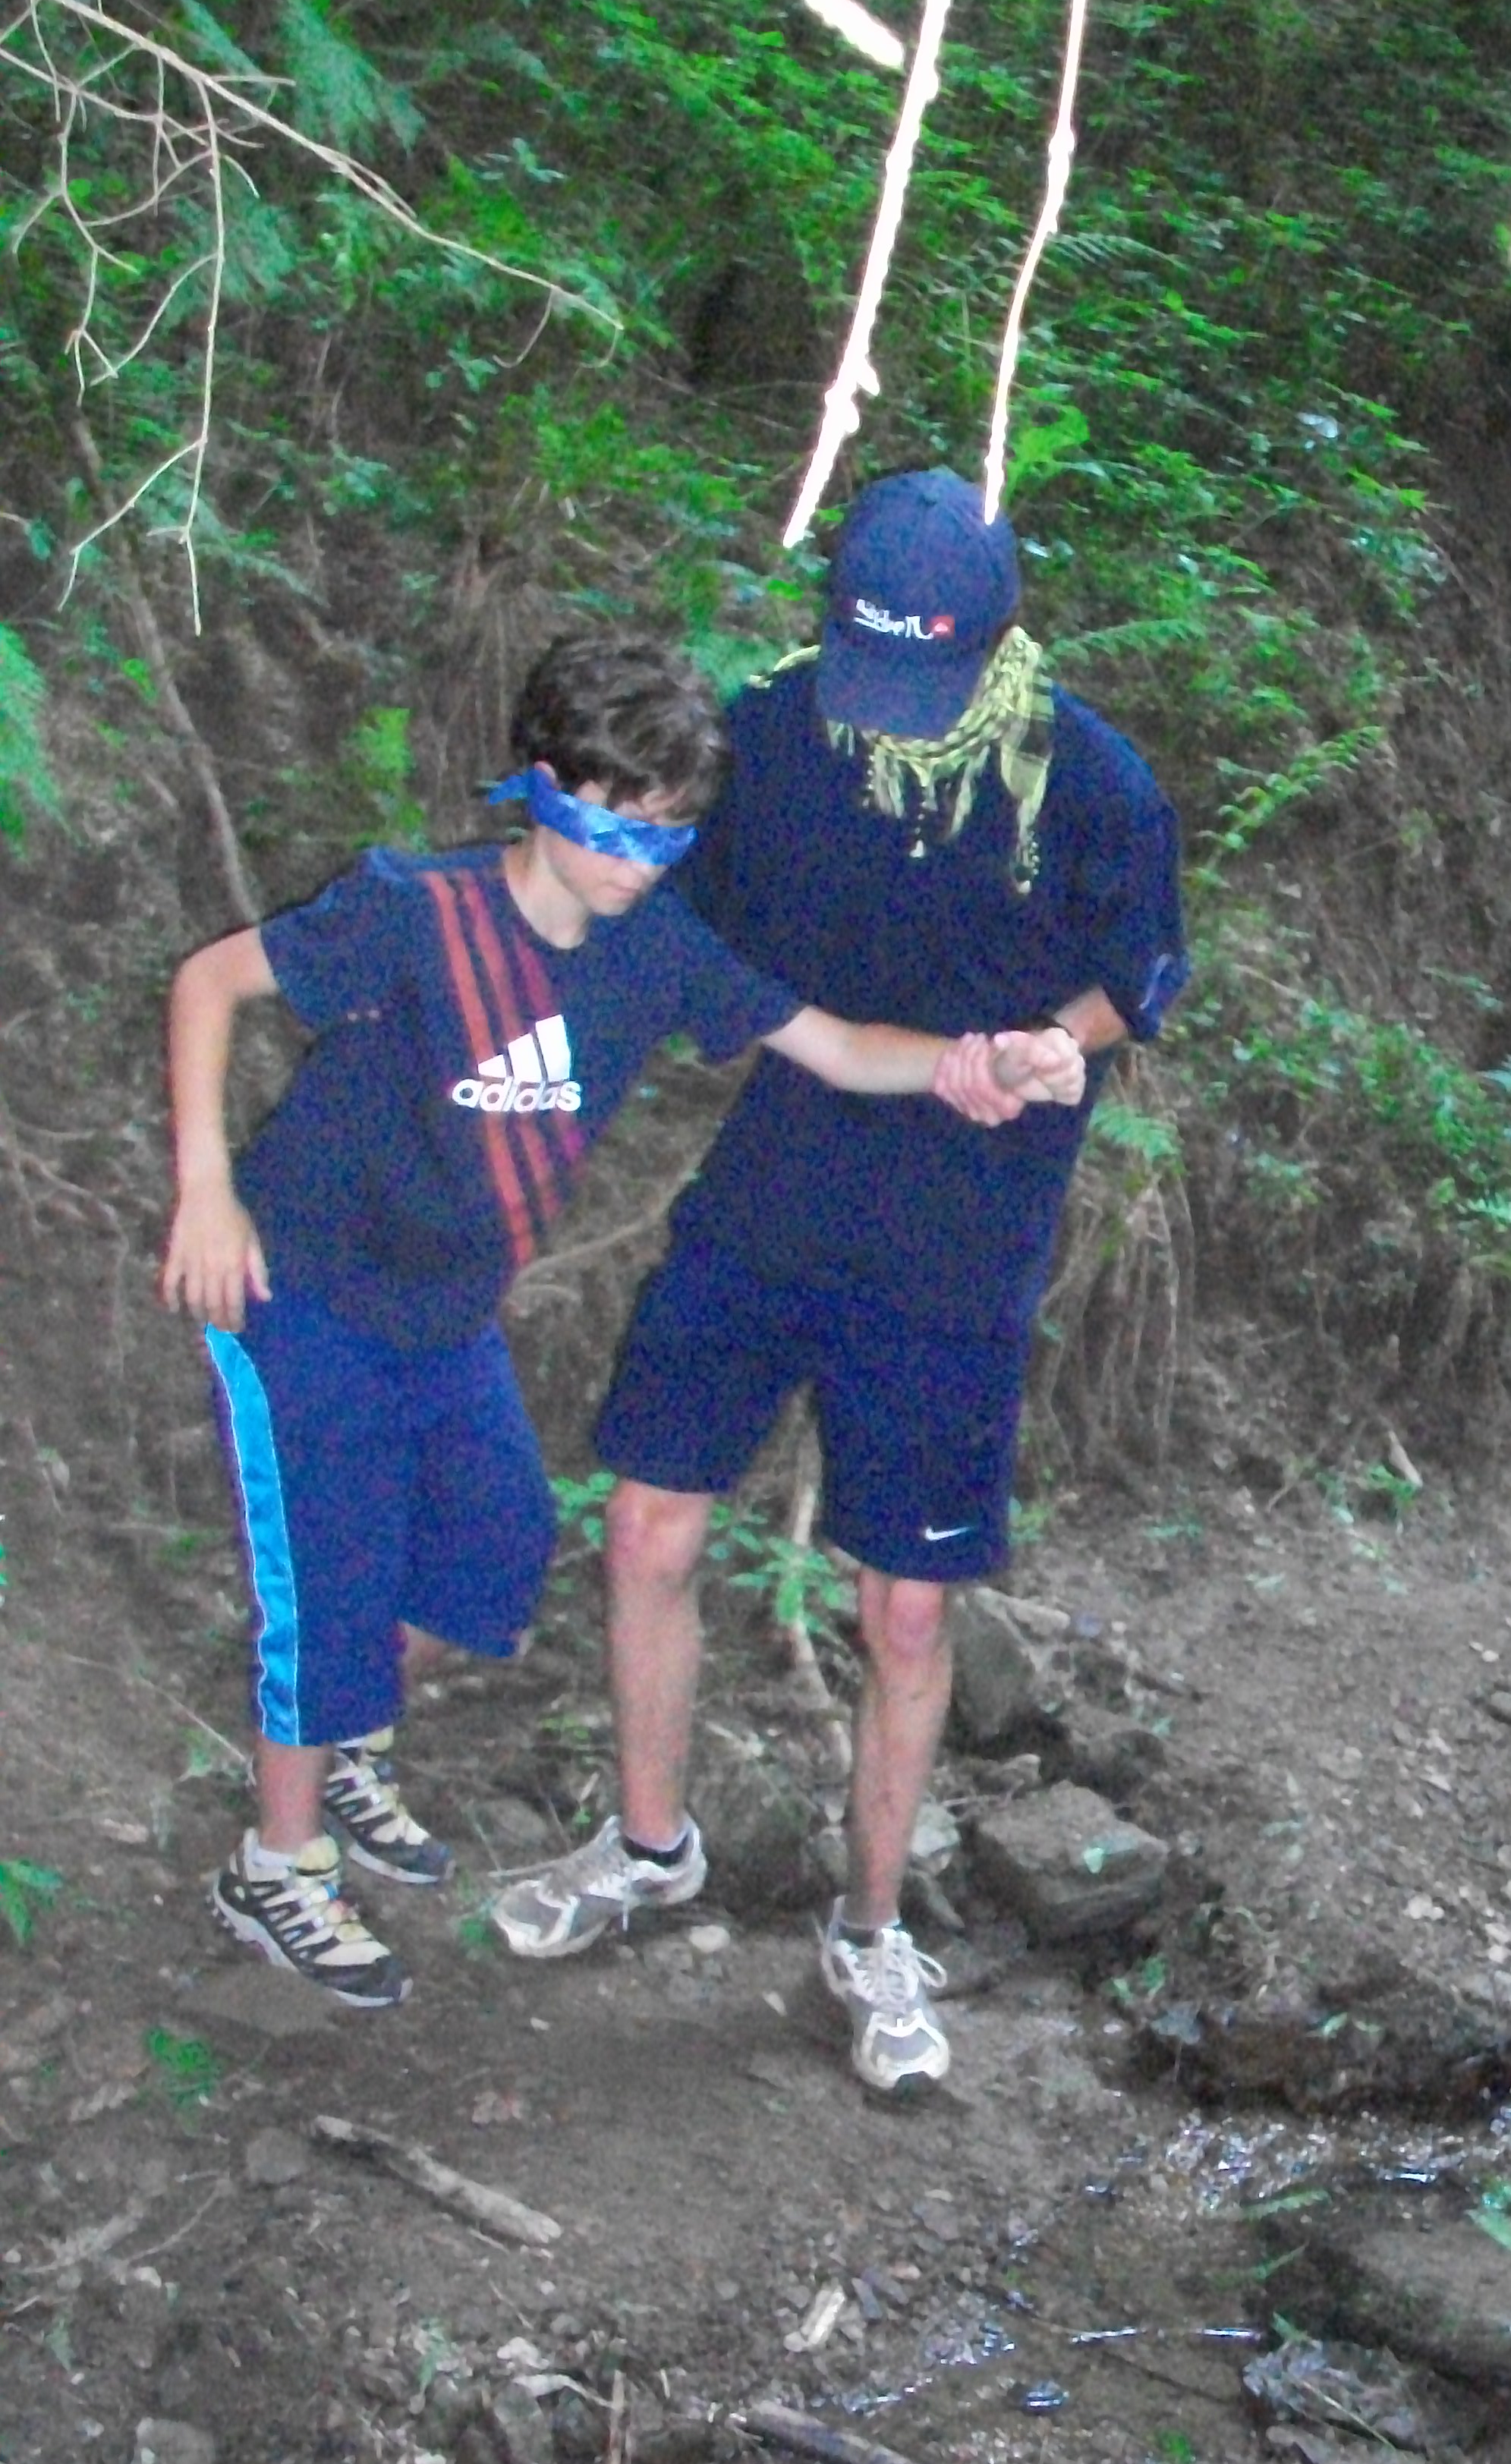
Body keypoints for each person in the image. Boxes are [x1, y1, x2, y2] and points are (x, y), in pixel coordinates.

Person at [161, 628, 1075, 2007]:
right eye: (615, 827)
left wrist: (972, 1063)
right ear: (543, 788)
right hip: (305, 1299)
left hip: (450, 1316)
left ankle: (339, 1738)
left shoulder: (652, 948)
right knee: (332, 1594)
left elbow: (831, 1044)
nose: (640, 863)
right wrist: (204, 1191)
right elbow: (210, 981)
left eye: (668, 835)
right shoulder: (414, 911)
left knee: (496, 1547)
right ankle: (275, 1867)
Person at [490, 472, 1188, 2095]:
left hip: (963, 1235)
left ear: (994, 642)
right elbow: (650, 904)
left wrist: (1047, 1044)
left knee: (907, 1604)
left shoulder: (1087, 778)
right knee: (646, 1521)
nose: (884, 709)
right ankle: (649, 1844)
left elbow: (1137, 971)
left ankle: (868, 1933)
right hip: (776, 1186)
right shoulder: (770, 737)